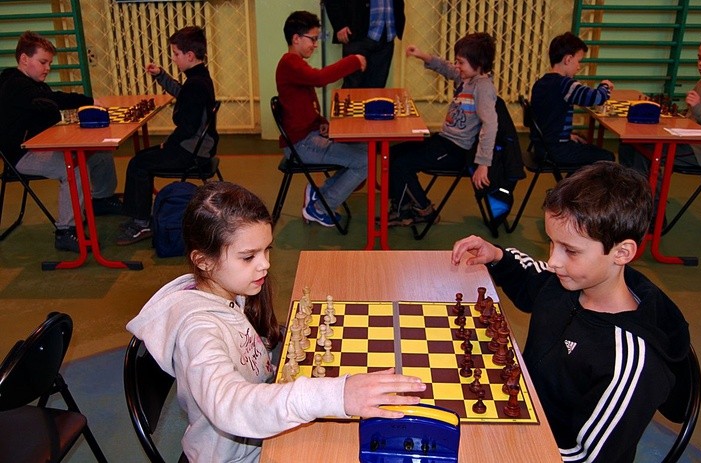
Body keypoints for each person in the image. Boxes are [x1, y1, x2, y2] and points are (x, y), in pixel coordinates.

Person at [126, 181, 425, 462]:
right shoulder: (198, 332)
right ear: (203, 261)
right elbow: (230, 405)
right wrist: (337, 395)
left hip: (260, 430)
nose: (265, 264)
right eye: (249, 257)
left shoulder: (230, 289)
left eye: (267, 249)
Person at [451, 161, 690, 463]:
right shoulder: (570, 282)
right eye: (552, 243)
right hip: (523, 412)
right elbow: (532, 279)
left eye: (570, 250)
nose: (553, 261)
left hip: (551, 451)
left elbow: (588, 458)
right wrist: (498, 256)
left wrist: (500, 449)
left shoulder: (630, 362)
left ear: (622, 252)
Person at [0, 31, 122, 252]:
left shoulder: (35, 85)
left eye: (50, 63)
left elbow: (50, 110)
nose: (47, 68)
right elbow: (52, 101)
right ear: (24, 59)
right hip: (21, 155)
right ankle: (66, 231)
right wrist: (89, 101)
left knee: (99, 153)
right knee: (73, 167)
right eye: (43, 62)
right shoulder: (14, 85)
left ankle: (101, 200)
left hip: (42, 145)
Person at [117, 25, 218, 245]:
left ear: (189, 56)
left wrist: (168, 144)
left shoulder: (196, 84)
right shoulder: (200, 78)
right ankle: (138, 217)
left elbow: (188, 127)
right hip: (196, 146)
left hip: (192, 151)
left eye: (176, 53)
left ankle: (141, 224)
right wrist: (161, 76)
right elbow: (183, 94)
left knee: (139, 164)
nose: (173, 58)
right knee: (141, 159)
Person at [387, 32, 498, 226]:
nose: (457, 66)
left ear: (478, 63)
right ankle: (402, 207)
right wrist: (422, 55)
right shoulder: (466, 77)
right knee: (392, 153)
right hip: (444, 141)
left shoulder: (483, 87)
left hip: (457, 150)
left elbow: (490, 125)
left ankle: (425, 210)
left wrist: (483, 164)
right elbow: (446, 68)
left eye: (461, 62)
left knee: (401, 165)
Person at [276, 11, 368, 227]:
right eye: (313, 39)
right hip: (301, 145)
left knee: (364, 148)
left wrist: (321, 123)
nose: (315, 45)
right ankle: (319, 208)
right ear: (296, 38)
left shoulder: (295, 63)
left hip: (309, 135)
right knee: (365, 162)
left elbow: (304, 105)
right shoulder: (289, 62)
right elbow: (319, 78)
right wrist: (353, 60)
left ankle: (320, 194)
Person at [619, 33, 701, 173]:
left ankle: (644, 187)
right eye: (699, 58)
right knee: (629, 144)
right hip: (688, 140)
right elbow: (692, 116)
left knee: (646, 151)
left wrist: (700, 111)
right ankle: (628, 185)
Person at [531, 32, 615, 166]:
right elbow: (596, 98)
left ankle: (574, 179)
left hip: (542, 147)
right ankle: (576, 180)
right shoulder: (565, 84)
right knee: (608, 157)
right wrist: (605, 86)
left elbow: (548, 120)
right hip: (557, 151)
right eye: (578, 61)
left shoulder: (541, 83)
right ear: (568, 59)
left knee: (582, 141)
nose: (579, 66)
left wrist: (566, 136)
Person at [324, 0, 405, 88]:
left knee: (377, 89)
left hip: (386, 35)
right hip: (357, 33)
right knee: (353, 87)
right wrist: (339, 24)